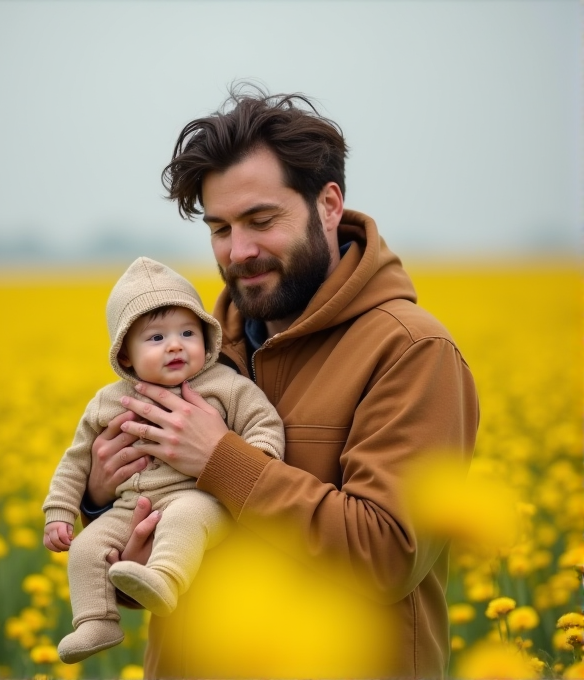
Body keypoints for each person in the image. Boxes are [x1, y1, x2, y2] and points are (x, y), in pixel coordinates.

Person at [82, 87, 479, 678]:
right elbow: (176, 570)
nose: (239, 251)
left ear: (328, 204)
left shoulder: (410, 351)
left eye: (261, 220)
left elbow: (388, 556)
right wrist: (103, 500)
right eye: (219, 228)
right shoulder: (199, 355)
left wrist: (223, 459)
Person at [43, 256, 284, 664]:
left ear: (206, 339)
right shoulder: (108, 401)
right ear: (125, 356)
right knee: (87, 548)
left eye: (187, 333)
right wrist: (60, 511)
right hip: (129, 507)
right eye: (156, 338)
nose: (175, 345)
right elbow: (77, 461)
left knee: (185, 517)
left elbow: (264, 423)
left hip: (204, 498)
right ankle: (96, 620)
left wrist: (255, 460)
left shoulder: (225, 385)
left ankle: (164, 579)